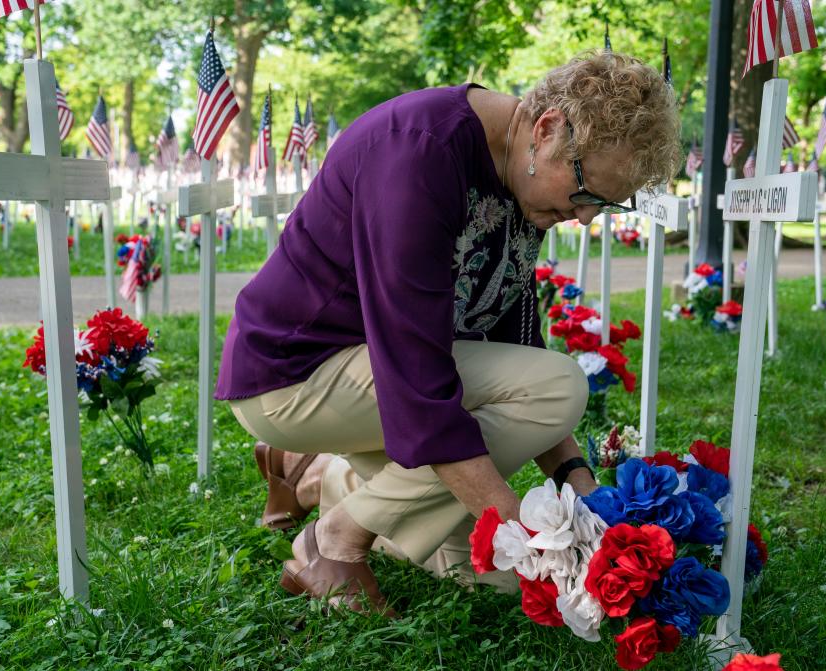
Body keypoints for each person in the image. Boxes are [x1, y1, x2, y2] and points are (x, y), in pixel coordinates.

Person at [215, 50, 681, 615]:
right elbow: (423, 380)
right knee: (560, 389)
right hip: (297, 372)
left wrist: (584, 492)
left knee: (498, 579)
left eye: (604, 205)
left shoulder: (523, 174)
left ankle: (325, 478)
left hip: (378, 379)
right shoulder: (417, 152)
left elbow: (513, 344)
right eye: (585, 194)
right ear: (548, 128)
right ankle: (333, 538)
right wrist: (529, 537)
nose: (584, 218)